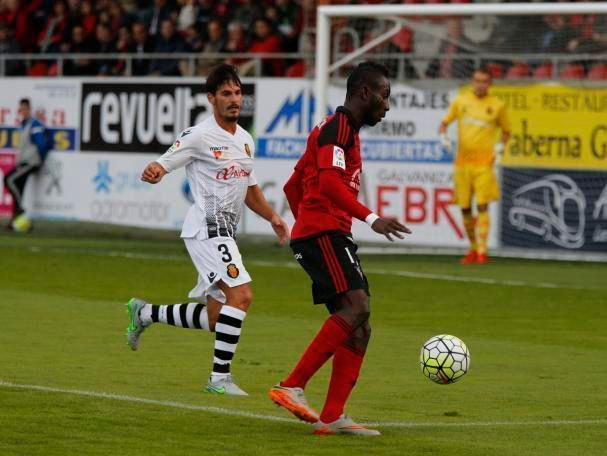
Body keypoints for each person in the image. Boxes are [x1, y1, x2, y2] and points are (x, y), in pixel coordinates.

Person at [125, 64, 289, 396]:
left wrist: (272, 217)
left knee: (217, 317)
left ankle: (144, 313)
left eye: (238, 93)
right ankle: (219, 379)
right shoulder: (198, 135)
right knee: (241, 295)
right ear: (211, 98)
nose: (234, 100)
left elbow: (250, 188)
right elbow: (166, 160)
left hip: (225, 231)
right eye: (226, 94)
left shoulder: (245, 140)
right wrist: (156, 169)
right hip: (206, 228)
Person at [269, 61, 410, 436]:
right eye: (384, 95)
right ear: (365, 92)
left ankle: (332, 416)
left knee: (359, 326)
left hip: (321, 233)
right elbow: (330, 184)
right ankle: (291, 385)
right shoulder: (339, 128)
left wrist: (304, 228)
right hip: (325, 234)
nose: (387, 105)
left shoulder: (334, 130)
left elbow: (291, 186)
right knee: (358, 307)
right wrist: (369, 218)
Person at [439, 66, 510, 265]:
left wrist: (500, 147)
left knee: (482, 205)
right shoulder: (461, 100)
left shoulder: (497, 106)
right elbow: (444, 123)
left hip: (484, 164)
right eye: (477, 80)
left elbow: (506, 131)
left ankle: (482, 251)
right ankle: (472, 248)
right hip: (462, 163)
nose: (480, 84)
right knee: (464, 208)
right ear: (472, 81)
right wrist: (443, 136)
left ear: (490, 83)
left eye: (484, 81)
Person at [4, 98, 49, 230]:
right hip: (23, 162)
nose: (22, 111)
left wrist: (40, 160)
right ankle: (15, 222)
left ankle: (20, 209)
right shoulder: (23, 125)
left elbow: (41, 143)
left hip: (30, 162)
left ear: (29, 109)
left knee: (9, 179)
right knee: (19, 188)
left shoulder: (34, 124)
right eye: (20, 109)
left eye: (24, 109)